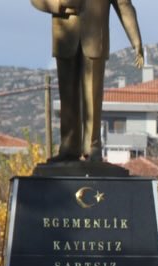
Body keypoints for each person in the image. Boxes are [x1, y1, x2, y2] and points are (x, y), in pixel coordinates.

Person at [31, 0, 145, 162]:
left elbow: (123, 4)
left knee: (93, 96)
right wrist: (61, 4)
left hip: (94, 38)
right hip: (65, 36)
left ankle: (92, 147)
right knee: (68, 96)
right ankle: (69, 146)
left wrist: (136, 40)